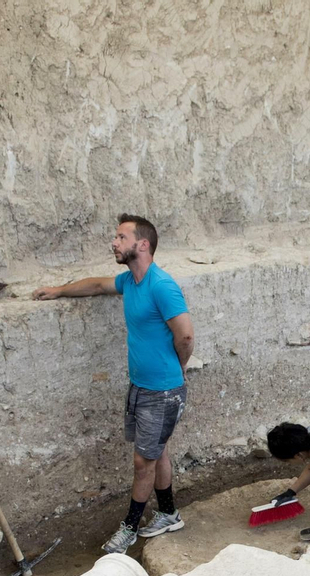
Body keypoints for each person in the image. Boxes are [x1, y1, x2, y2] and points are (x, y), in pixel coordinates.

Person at [33, 213, 195, 554]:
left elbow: (186, 335)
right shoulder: (130, 282)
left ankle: (129, 528)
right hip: (141, 386)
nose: (114, 242)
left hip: (162, 390)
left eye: (121, 237)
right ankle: (168, 513)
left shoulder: (161, 286)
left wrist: (176, 368)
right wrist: (59, 291)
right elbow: (96, 285)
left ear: (143, 244)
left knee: (143, 463)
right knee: (158, 450)